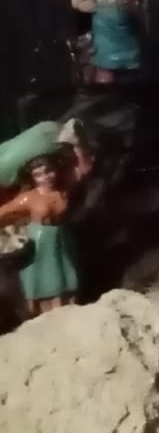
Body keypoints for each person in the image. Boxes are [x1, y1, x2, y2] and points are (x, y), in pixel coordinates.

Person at [0, 125, 93, 319]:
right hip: (40, 244)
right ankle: (43, 317)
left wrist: (77, 144)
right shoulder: (28, 198)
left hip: (63, 239)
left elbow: (83, 169)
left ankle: (68, 312)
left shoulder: (63, 190)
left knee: (67, 275)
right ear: (32, 178)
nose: (45, 177)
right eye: (39, 174)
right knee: (43, 280)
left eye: (48, 171)